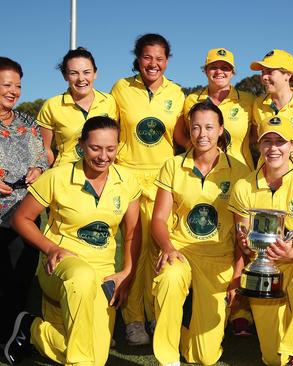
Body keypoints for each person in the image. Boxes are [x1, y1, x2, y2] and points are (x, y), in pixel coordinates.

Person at [6, 116, 141, 365]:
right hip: (61, 266)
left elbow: (132, 232)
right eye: (95, 148)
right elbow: (21, 219)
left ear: (118, 147)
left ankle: (32, 328)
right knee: (81, 276)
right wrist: (51, 247)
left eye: (110, 149)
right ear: (81, 145)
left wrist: (127, 273)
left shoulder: (127, 181)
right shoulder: (57, 176)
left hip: (103, 275)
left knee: (97, 358)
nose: (103, 156)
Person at [150, 102, 250, 366]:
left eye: (208, 127)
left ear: (220, 130)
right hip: (181, 251)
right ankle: (167, 357)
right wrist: (169, 248)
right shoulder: (172, 166)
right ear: (189, 130)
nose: (202, 134)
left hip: (218, 259)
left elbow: (243, 231)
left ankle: (186, 330)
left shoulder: (240, 171)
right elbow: (158, 219)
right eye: (195, 127)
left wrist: (238, 272)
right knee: (170, 277)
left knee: (204, 357)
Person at [228, 115, 293, 366]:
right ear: (259, 146)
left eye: (280, 142)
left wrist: (288, 253)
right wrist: (244, 242)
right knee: (273, 360)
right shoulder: (243, 186)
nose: (273, 148)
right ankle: (285, 353)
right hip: (261, 267)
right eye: (267, 141)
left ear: (292, 145)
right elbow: (245, 239)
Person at [111, 33, 185, 346]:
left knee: (161, 249)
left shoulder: (178, 93)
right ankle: (134, 320)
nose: (153, 64)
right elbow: (110, 133)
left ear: (167, 61)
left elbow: (182, 137)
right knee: (134, 251)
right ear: (138, 59)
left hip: (164, 178)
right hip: (128, 177)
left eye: (159, 58)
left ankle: (158, 315)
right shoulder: (121, 88)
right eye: (147, 57)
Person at [0, 57, 48, 348]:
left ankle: (11, 334)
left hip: (22, 211)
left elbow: (42, 155)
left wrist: (39, 169)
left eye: (18, 85)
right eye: (6, 84)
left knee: (18, 279)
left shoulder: (27, 123)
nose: (14, 91)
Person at [38, 48, 118, 167]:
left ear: (95, 73)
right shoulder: (52, 105)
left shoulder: (109, 101)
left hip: (103, 174)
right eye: (74, 73)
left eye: (86, 72)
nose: (81, 78)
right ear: (65, 75)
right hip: (65, 177)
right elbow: (44, 149)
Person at [181, 48, 256, 170]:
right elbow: (187, 134)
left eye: (225, 68)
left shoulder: (249, 100)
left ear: (232, 72)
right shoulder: (191, 100)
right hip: (202, 172)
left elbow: (255, 136)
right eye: (213, 67)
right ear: (205, 71)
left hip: (240, 173)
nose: (219, 71)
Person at [251, 49, 293, 168]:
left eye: (269, 71)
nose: (264, 77)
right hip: (265, 175)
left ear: (288, 75)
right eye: (263, 72)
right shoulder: (258, 104)